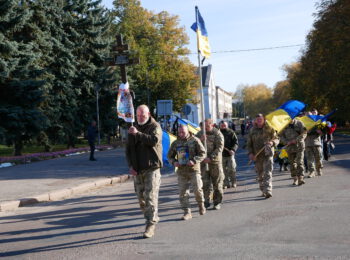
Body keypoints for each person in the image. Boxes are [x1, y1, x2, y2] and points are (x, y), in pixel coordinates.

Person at [125, 105, 163, 238]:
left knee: (150, 197)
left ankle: (150, 224)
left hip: (152, 167)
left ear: (149, 114)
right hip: (137, 169)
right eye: (138, 115)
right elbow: (128, 149)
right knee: (141, 200)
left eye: (143, 115)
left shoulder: (155, 126)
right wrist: (130, 166)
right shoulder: (133, 126)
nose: (140, 117)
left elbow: (153, 141)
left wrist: (137, 134)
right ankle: (151, 217)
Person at [167, 124, 207, 220]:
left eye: (183, 132)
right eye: (179, 132)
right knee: (183, 193)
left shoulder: (195, 140)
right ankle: (187, 212)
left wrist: (194, 160)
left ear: (187, 131)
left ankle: (201, 205)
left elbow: (203, 153)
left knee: (197, 190)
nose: (181, 134)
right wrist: (174, 162)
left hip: (194, 170)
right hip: (182, 171)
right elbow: (169, 156)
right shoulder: (176, 143)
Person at [247, 114, 279, 198]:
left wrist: (272, 143)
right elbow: (249, 144)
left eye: (260, 119)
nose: (259, 121)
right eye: (257, 119)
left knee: (267, 172)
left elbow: (277, 138)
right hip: (257, 155)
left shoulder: (270, 128)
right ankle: (263, 190)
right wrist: (250, 153)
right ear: (255, 121)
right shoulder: (252, 130)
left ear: (264, 120)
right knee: (260, 175)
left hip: (267, 154)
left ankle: (268, 190)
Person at [196, 118, 224, 210]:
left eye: (207, 126)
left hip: (215, 162)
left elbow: (219, 148)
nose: (205, 128)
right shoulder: (200, 134)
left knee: (217, 183)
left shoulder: (217, 134)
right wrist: (200, 140)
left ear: (211, 125)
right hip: (203, 163)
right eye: (204, 126)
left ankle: (217, 202)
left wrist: (210, 157)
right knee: (205, 183)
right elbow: (193, 145)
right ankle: (206, 201)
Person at [280, 118, 307, 186]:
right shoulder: (284, 125)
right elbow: (281, 136)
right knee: (292, 164)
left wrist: (296, 140)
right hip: (289, 147)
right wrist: (286, 142)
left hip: (299, 146)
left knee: (299, 162)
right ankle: (295, 179)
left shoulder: (299, 123)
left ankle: (301, 178)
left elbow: (304, 133)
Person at [219, 121, 239, 189]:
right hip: (221, 155)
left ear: (227, 125)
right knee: (223, 170)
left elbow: (236, 142)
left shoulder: (231, 132)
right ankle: (225, 183)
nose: (223, 126)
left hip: (230, 154)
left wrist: (233, 150)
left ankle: (234, 182)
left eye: (224, 125)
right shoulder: (218, 133)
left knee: (232, 169)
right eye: (222, 125)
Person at [305, 111, 323, 178]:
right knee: (310, 159)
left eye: (309, 115)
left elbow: (322, 133)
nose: (308, 116)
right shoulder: (303, 124)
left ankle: (319, 170)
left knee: (318, 158)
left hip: (316, 143)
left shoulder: (317, 122)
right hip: (308, 144)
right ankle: (312, 172)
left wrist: (320, 131)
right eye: (307, 115)